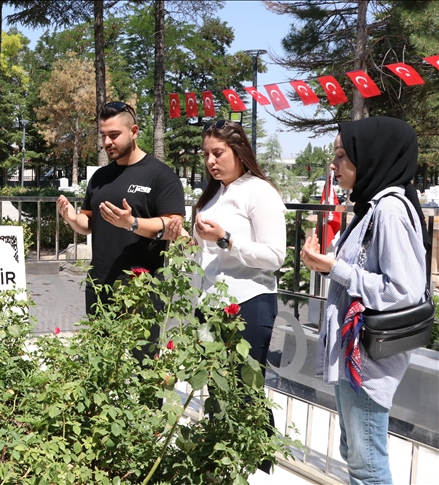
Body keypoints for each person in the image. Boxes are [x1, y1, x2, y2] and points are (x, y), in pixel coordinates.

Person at [301, 117, 427, 485]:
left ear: (371, 157)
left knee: (367, 466)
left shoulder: (390, 209)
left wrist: (335, 268)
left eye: (342, 156)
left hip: (369, 362)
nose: (333, 164)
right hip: (358, 355)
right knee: (357, 455)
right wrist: (326, 266)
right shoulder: (373, 206)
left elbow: (402, 290)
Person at [192, 119, 287, 473]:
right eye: (206, 155)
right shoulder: (217, 192)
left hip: (248, 302)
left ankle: (255, 468)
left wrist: (227, 239)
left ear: (239, 152)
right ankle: (224, 464)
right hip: (213, 305)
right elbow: (210, 253)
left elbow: (276, 256)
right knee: (219, 389)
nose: (211, 161)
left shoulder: (258, 191)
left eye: (218, 153)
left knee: (246, 392)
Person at [56, 101, 185, 356]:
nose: (107, 142)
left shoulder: (161, 176)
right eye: (103, 135)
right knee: (101, 370)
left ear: (134, 131)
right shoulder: (100, 177)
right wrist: (72, 218)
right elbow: (89, 224)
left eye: (114, 134)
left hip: (141, 288)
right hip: (100, 284)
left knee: (143, 369)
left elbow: (173, 228)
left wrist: (132, 223)